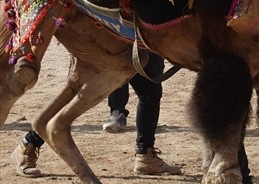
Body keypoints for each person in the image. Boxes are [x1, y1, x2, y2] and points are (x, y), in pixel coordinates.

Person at [12, 54, 182, 177]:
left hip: (137, 39)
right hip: (103, 39)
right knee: (77, 95)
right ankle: (28, 145)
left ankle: (145, 155)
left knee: (150, 92)